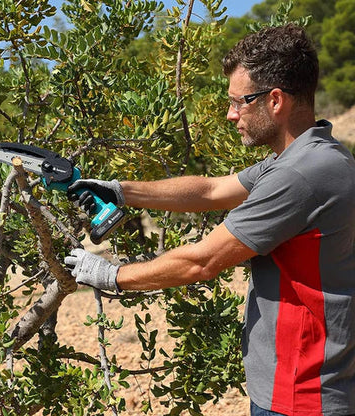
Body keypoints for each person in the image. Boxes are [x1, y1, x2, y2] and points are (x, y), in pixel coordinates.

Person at [64, 24, 355, 416]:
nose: (230, 114)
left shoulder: (298, 177)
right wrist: (119, 190)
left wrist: (108, 275)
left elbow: (202, 261)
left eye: (240, 101)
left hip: (302, 395)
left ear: (275, 101)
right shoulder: (314, 156)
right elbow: (211, 190)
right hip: (307, 384)